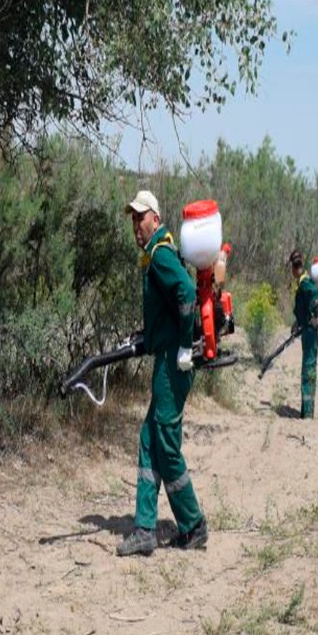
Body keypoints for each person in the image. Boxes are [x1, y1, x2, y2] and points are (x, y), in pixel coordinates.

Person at [116, 190, 208, 557]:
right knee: (149, 439)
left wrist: (185, 345)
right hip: (168, 358)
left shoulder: (161, 255)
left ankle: (193, 524)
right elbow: (171, 307)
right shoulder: (156, 255)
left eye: (141, 217)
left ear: (156, 217)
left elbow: (185, 292)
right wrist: (148, 336)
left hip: (174, 364)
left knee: (165, 445)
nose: (136, 225)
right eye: (133, 219)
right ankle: (144, 529)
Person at [289, 250, 318, 419]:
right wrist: (297, 322)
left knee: (308, 369)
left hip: (310, 332)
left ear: (294, 269)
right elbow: (302, 308)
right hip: (306, 330)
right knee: (307, 368)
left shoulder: (306, 284)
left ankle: (308, 413)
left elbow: (313, 297)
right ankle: (306, 411)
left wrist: (314, 315)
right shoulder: (303, 283)